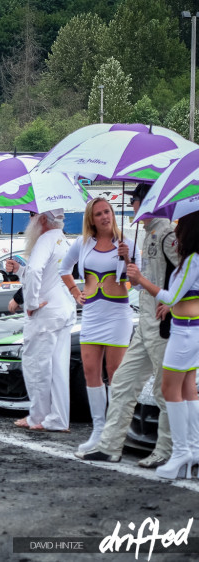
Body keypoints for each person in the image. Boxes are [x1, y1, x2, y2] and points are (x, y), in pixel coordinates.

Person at [78, 183, 176, 466]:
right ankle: (109, 446)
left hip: (160, 323)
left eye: (133, 201)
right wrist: (133, 272)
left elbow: (188, 274)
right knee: (121, 382)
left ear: (144, 203)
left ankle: (166, 450)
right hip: (145, 322)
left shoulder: (166, 233)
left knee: (163, 388)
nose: (131, 207)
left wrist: (172, 301)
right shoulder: (150, 234)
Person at [60, 197, 140, 452]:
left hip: (118, 313)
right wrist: (75, 292)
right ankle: (98, 430)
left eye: (107, 212)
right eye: (99, 214)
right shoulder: (83, 243)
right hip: (92, 313)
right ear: (91, 219)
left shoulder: (127, 242)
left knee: (116, 372)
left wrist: (128, 261)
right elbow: (64, 268)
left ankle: (118, 431)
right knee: (91, 371)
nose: (105, 217)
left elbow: (138, 283)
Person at [126, 210, 199, 480]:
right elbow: (180, 296)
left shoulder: (192, 260)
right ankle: (193, 448)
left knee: (170, 390)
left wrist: (141, 280)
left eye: (180, 227)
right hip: (189, 330)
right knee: (188, 390)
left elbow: (171, 293)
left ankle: (181, 451)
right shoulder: (192, 260)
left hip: (185, 333)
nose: (176, 231)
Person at [6, 210, 76, 432]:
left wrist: (32, 304)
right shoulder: (63, 239)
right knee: (58, 367)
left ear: (42, 219)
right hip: (63, 309)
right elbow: (45, 273)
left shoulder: (45, 239)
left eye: (31, 216)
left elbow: (37, 270)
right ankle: (59, 418)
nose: (29, 221)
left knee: (36, 365)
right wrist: (20, 271)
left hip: (46, 313)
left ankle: (38, 417)